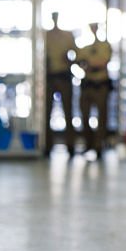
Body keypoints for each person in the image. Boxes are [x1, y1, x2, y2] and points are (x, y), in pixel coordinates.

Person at [75, 22, 113, 157]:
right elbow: (80, 61)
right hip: (88, 85)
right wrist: (87, 65)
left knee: (102, 116)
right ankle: (88, 143)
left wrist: (91, 65)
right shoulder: (85, 47)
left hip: (100, 85)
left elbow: (102, 63)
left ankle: (98, 144)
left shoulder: (105, 46)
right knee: (84, 115)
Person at [44, 11, 77, 156]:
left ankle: (70, 144)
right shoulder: (46, 36)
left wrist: (68, 61)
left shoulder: (67, 35)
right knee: (47, 113)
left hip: (64, 77)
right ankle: (47, 144)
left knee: (68, 112)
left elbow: (75, 54)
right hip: (50, 78)